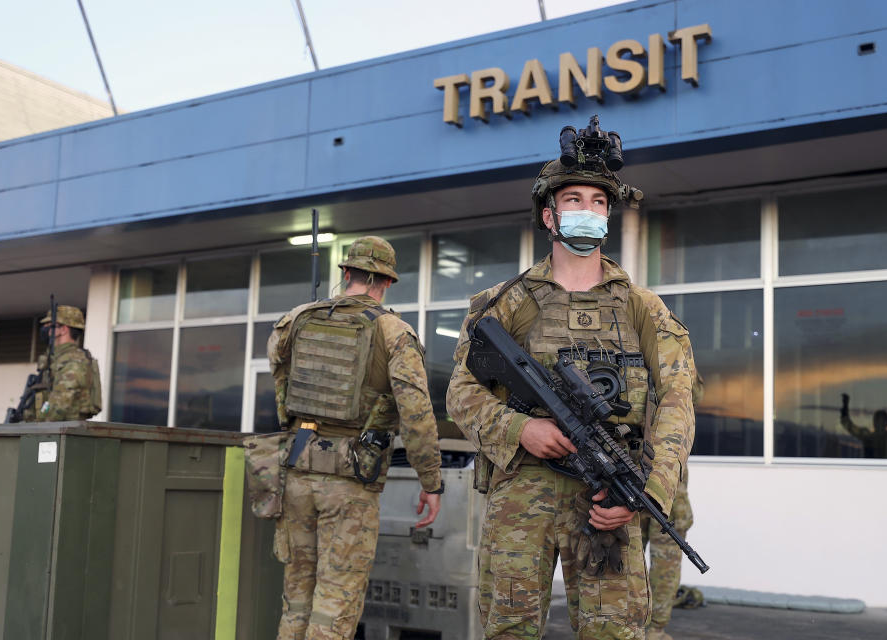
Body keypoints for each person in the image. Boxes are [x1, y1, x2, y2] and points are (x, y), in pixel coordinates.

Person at [447, 123, 695, 639]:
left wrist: (647, 491)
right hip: (523, 494)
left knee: (616, 632)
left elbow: (677, 400)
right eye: (574, 198)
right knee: (509, 629)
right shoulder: (507, 301)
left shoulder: (641, 306)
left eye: (599, 201)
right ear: (549, 215)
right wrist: (520, 430)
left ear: (609, 214)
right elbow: (461, 392)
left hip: (609, 493)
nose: (589, 208)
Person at [267, 236, 444, 640]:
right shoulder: (394, 332)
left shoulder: (295, 319)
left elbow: (280, 378)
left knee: (296, 598)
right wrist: (431, 482)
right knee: (336, 604)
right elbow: (416, 413)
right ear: (387, 281)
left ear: (346, 273)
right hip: (349, 482)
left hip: (294, 470)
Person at [641, 371, 704, 640]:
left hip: (669, 489)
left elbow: (695, 396)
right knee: (622, 558)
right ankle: (632, 626)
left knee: (666, 561)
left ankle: (654, 629)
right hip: (627, 476)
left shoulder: (676, 355)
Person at [21, 304, 102, 422]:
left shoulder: (74, 361)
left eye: (49, 325)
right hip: (53, 430)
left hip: (63, 431)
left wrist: (35, 427)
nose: (45, 329)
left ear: (63, 329)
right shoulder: (56, 359)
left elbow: (59, 406)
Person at [839, 393, 887, 459]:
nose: (880, 423)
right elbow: (848, 425)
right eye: (878, 420)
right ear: (874, 423)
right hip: (870, 468)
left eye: (882, 421)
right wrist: (845, 406)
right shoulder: (868, 437)